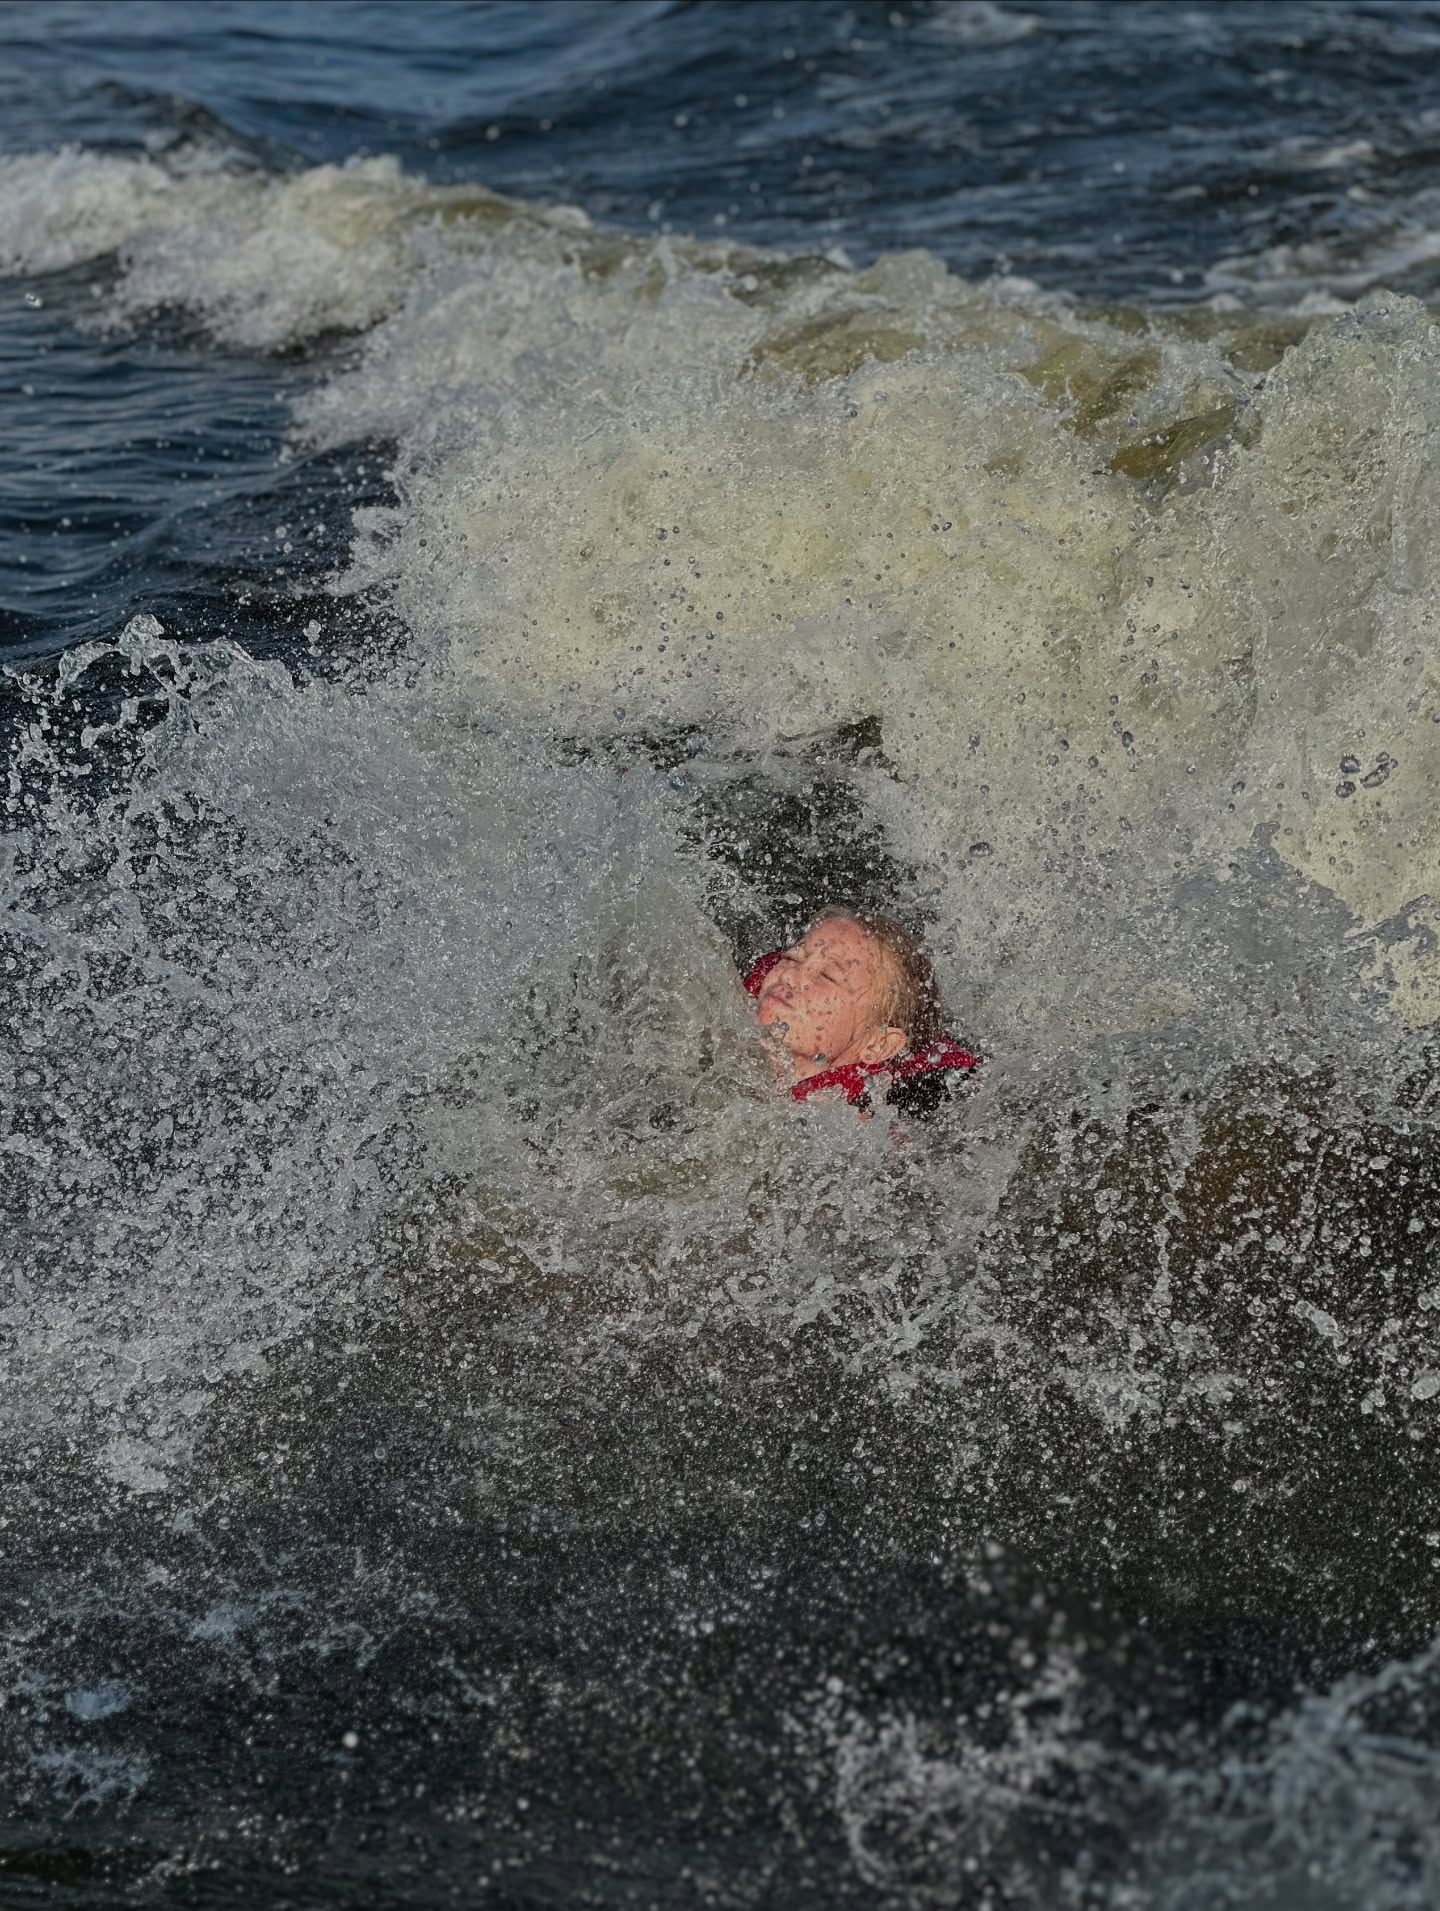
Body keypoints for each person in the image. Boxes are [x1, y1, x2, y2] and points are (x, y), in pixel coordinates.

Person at [744, 909, 980, 1119]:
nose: (789, 975)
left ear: (877, 1044)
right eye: (792, 957)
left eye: (827, 977)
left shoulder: (859, 1126)